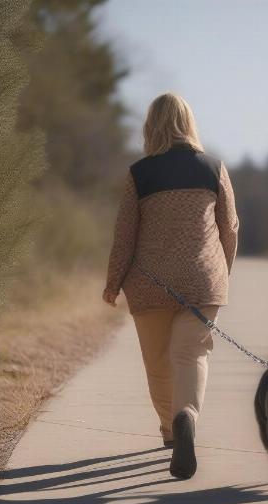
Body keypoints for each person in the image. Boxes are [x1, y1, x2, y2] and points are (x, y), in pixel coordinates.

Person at [102, 92, 239, 479]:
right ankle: (187, 416)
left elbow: (124, 236)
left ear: (151, 126)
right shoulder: (213, 169)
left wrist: (113, 283)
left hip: (149, 284)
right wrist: (221, 273)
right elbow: (229, 228)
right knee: (191, 355)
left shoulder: (139, 174)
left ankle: (170, 431)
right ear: (189, 123)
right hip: (201, 282)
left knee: (159, 363)